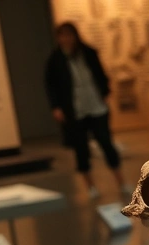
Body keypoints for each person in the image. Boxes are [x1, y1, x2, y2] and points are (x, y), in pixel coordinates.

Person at [44, 22, 126, 199]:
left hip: (95, 105)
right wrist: (56, 107)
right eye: (62, 35)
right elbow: (51, 86)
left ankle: (121, 181)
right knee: (81, 148)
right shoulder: (55, 59)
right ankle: (90, 186)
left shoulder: (88, 53)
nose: (66, 39)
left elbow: (100, 74)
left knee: (106, 142)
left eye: (69, 35)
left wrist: (105, 92)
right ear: (58, 38)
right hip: (75, 110)